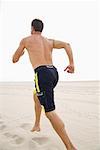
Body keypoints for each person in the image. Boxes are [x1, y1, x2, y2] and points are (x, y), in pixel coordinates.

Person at [12, 19, 77, 150]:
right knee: (36, 95)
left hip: (42, 74)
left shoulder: (26, 40)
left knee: (50, 112)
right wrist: (71, 63)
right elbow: (67, 45)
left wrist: (22, 52)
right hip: (53, 72)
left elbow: (14, 59)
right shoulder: (49, 41)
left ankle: (70, 147)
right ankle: (37, 124)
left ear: (32, 28)